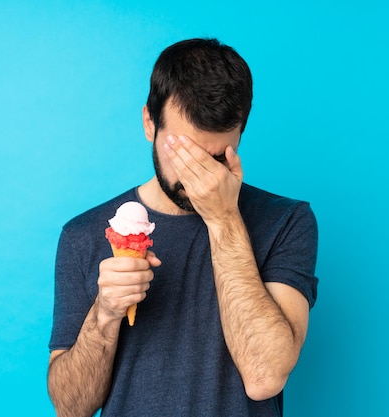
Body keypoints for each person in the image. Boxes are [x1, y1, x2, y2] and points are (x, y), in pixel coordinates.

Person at [47, 38, 318, 417]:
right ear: (149, 124)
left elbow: (265, 376)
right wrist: (104, 314)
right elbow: (70, 408)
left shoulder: (286, 221)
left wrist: (224, 219)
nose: (197, 177)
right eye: (183, 153)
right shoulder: (83, 234)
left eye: (214, 157)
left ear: (239, 136)